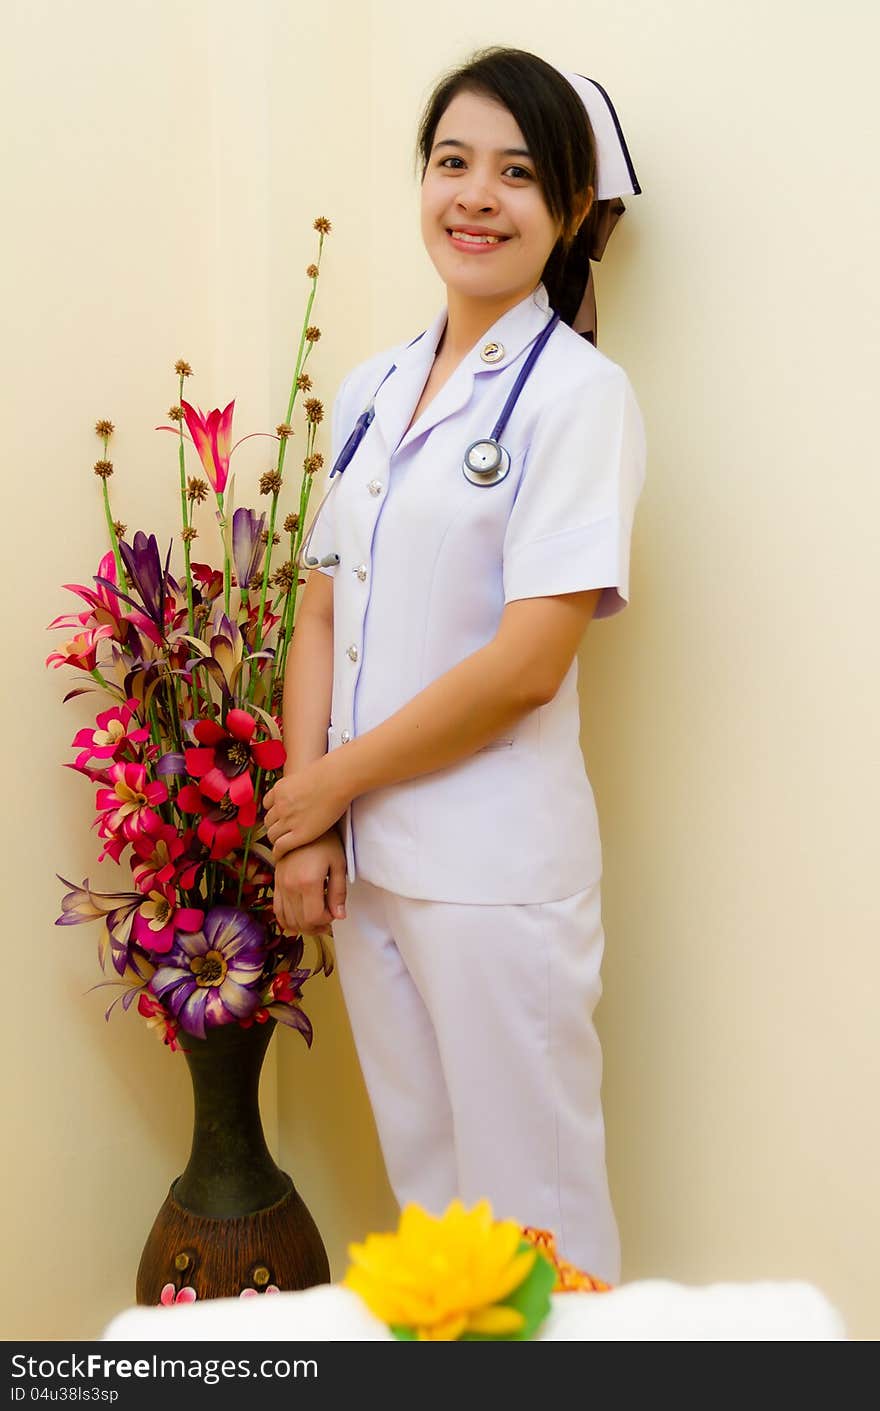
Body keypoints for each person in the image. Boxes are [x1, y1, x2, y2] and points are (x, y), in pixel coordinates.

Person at [264, 45, 645, 1283]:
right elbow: (319, 608)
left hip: (493, 880)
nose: (476, 195)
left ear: (569, 210)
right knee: (435, 1219)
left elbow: (528, 663)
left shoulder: (579, 397)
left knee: (537, 1229)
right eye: (452, 162)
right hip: (372, 866)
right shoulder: (375, 381)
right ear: (422, 180)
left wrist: (322, 787)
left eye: (518, 173)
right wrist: (311, 829)